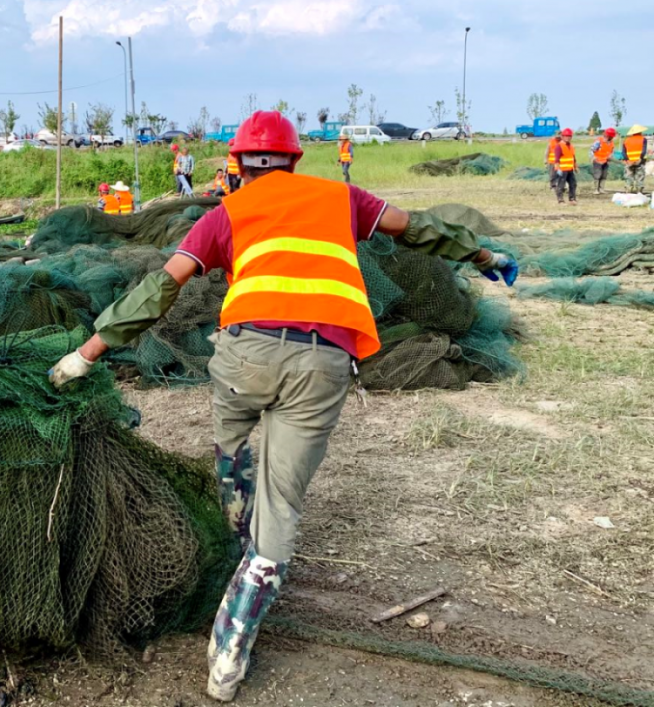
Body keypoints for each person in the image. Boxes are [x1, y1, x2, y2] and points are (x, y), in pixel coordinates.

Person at [49, 111, 518, 703]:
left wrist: (86, 353)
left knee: (233, 445)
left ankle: (231, 514)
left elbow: (160, 288)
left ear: (239, 165)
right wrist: (483, 258)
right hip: (321, 364)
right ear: (295, 160)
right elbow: (419, 228)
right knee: (282, 500)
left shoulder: (226, 213)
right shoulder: (340, 197)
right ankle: (231, 644)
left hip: (242, 358)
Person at [553, 128, 578, 205]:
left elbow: (573, 157)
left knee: (573, 184)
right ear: (562, 136)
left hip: (570, 169)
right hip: (562, 169)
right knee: (561, 185)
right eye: (566, 136)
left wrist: (575, 166)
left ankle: (572, 199)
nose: (568, 137)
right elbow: (556, 159)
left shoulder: (571, 146)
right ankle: (560, 200)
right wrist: (558, 168)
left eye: (569, 136)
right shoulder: (559, 146)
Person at [590, 128, 616, 195]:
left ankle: (601, 189)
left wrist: (610, 156)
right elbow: (592, 149)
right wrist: (593, 157)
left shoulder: (611, 142)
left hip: (606, 161)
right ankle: (596, 189)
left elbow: (612, 151)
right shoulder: (599, 141)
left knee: (604, 175)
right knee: (597, 175)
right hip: (597, 160)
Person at [623, 125, 648, 194]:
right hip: (639, 161)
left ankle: (628, 191)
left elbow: (623, 152)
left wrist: (627, 160)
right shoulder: (643, 139)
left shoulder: (626, 140)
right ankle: (639, 192)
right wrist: (639, 159)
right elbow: (643, 151)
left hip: (629, 162)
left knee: (629, 177)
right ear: (640, 131)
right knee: (639, 178)